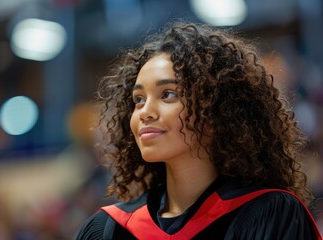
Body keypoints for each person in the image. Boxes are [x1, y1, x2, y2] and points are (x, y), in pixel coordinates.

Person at [75, 21, 322, 240]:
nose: (144, 112)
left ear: (215, 109)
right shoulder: (107, 229)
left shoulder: (267, 214)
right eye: (138, 99)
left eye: (168, 94)